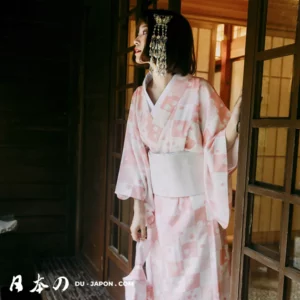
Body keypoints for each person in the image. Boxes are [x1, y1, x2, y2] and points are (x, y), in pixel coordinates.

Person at [115, 9, 241, 300]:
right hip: (160, 212)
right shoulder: (138, 97)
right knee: (164, 284)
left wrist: (235, 124)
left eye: (144, 32)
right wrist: (138, 212)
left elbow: (219, 146)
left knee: (202, 286)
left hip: (198, 213)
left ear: (164, 40)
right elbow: (136, 158)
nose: (136, 40)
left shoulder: (199, 91)